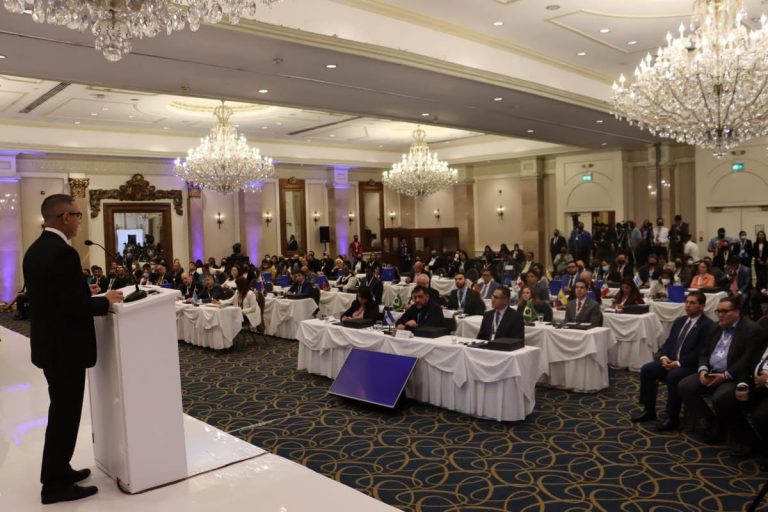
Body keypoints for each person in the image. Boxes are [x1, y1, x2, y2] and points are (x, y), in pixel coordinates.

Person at [23, 194, 124, 504]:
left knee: (62, 412)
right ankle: (54, 485)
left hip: (50, 345)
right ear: (65, 217)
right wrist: (104, 301)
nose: (80, 221)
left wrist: (83, 290)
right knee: (64, 416)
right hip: (65, 349)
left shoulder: (36, 249)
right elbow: (72, 308)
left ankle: (60, 469)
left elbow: (52, 297)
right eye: (78, 215)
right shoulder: (63, 253)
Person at [678, 297, 767, 443]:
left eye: (725, 311)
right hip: (711, 371)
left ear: (737, 312)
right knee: (685, 386)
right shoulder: (716, 327)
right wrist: (703, 370)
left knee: (720, 398)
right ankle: (712, 421)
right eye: (718, 311)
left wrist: (726, 375)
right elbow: (703, 352)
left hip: (733, 375)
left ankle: (735, 434)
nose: (720, 315)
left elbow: (747, 359)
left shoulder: (751, 330)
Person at [632, 292, 714, 430]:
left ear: (701, 306)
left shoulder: (707, 325)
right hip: (670, 361)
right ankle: (649, 410)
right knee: (647, 369)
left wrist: (679, 363)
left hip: (690, 366)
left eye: (692, 303)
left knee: (673, 376)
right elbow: (669, 342)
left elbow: (701, 352)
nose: (688, 305)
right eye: (686, 302)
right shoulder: (680, 321)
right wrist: (664, 357)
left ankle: (672, 417)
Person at [713, 340, 768, 457]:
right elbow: (747, 366)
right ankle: (752, 444)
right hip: (754, 387)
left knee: (761, 417)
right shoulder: (763, 340)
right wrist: (742, 385)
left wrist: (767, 381)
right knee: (724, 402)